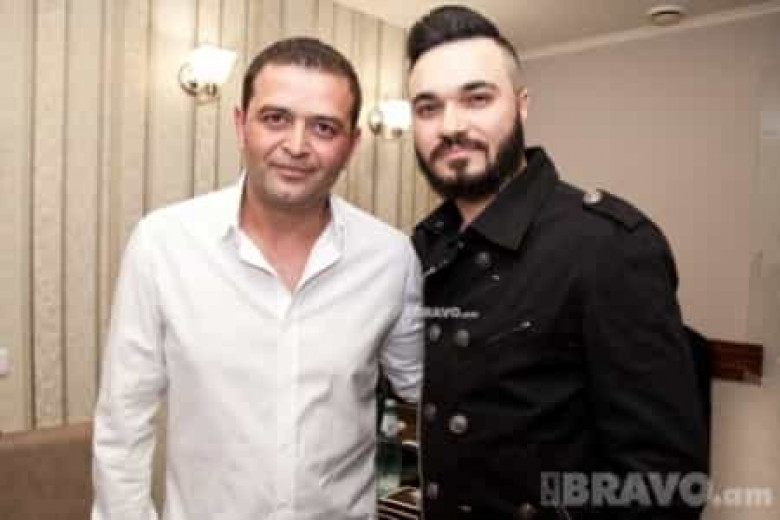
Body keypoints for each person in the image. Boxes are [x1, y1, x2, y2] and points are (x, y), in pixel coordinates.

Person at [92, 37, 423, 520]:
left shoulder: (390, 258)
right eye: (275, 118)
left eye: (324, 127)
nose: (296, 146)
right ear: (240, 125)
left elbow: (429, 391)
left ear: (351, 145)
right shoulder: (162, 243)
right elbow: (123, 424)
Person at [406, 6, 708, 520]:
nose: (451, 126)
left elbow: (664, 486)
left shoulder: (606, 246)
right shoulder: (427, 246)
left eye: (477, 99)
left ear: (522, 106)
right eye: (428, 107)